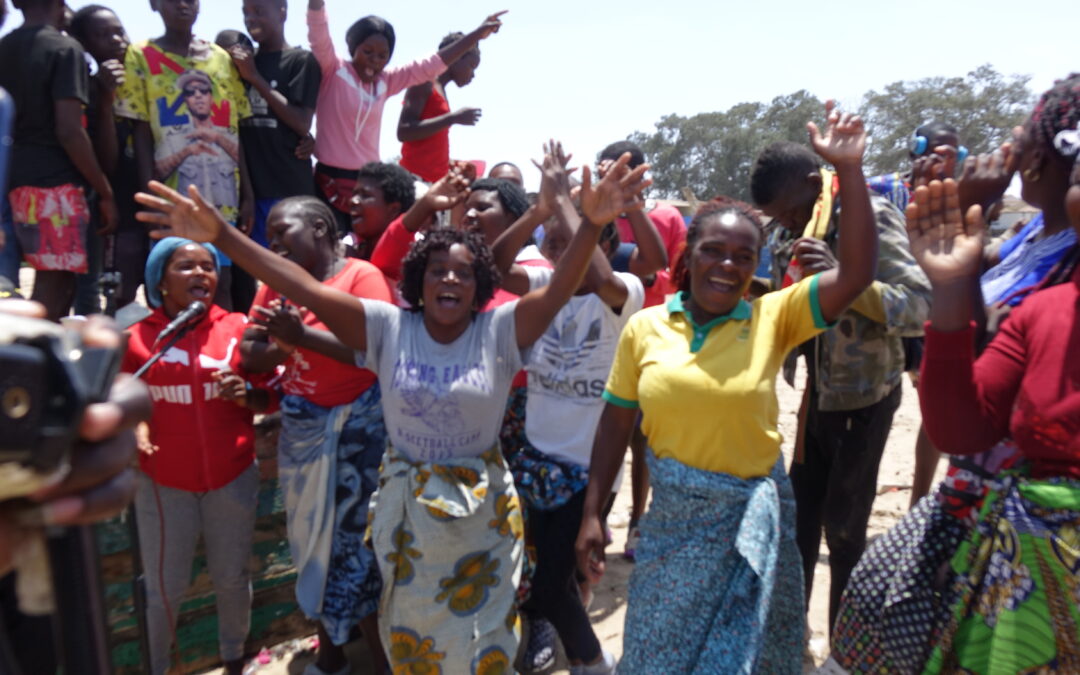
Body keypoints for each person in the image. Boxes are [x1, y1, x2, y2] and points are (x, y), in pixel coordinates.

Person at [134, 144, 651, 673]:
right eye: (438, 271)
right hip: (406, 520)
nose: (450, 279)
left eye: (464, 274)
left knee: (484, 643)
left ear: (480, 290)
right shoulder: (385, 327)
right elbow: (301, 285)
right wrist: (221, 236)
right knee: (414, 638)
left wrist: (589, 224)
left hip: (483, 520)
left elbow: (564, 284)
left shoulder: (502, 330)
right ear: (418, 283)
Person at [575, 103, 879, 673]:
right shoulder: (647, 326)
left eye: (744, 256)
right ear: (688, 255)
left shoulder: (774, 318)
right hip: (673, 528)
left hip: (750, 520)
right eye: (713, 250)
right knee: (654, 651)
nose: (727, 265)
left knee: (747, 656)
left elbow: (858, 273)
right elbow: (616, 422)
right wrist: (594, 514)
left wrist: (852, 172)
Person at [823, 74, 1080, 675]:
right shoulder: (1035, 265)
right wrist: (962, 250)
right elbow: (966, 413)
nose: (1010, 157)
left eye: (1022, 145)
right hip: (985, 506)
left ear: (1040, 162)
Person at [752, 125, 931, 630]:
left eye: (790, 212)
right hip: (816, 397)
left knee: (846, 530)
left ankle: (845, 645)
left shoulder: (869, 217)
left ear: (815, 182)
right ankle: (791, 634)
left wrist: (846, 279)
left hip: (865, 398)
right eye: (778, 218)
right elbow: (789, 294)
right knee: (799, 522)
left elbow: (920, 306)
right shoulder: (798, 227)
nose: (786, 224)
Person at [492, 142, 643, 674]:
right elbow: (493, 267)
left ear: (598, 241)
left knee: (556, 581)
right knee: (539, 577)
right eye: (552, 246)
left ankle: (594, 663)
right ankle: (577, 657)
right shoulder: (542, 286)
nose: (559, 254)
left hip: (587, 470)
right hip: (533, 460)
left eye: (571, 243)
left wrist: (571, 210)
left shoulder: (625, 291)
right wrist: (539, 209)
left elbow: (600, 279)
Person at [240, 197, 394, 675]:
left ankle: (372, 662)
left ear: (322, 228)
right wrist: (283, 345)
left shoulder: (360, 278)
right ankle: (334, 658)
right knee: (314, 546)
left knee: (352, 549)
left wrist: (297, 339)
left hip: (359, 432)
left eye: (283, 229)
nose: (274, 241)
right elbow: (249, 351)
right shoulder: (275, 285)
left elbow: (373, 350)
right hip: (304, 428)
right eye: (269, 232)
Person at [122, 237, 271, 675]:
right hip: (164, 484)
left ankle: (232, 659)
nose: (201, 275)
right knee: (163, 589)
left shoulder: (238, 328)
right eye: (186, 267)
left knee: (231, 579)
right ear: (160, 282)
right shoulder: (136, 338)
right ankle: (156, 666)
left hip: (233, 477)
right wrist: (137, 426)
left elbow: (274, 392)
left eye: (208, 266)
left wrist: (249, 396)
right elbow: (122, 395)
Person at [306, 0, 505, 234]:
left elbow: (431, 64)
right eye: (367, 52)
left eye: (383, 55)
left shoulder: (385, 82)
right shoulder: (333, 70)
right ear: (353, 47)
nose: (375, 60)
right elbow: (317, 32)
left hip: (367, 183)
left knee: (364, 251)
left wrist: (478, 35)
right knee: (329, 245)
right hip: (328, 181)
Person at [114, 0, 254, 311]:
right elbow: (141, 132)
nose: (183, 4)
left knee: (222, 281)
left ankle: (218, 357)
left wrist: (247, 193)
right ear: (154, 4)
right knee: (173, 283)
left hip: (223, 195)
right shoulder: (141, 55)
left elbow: (235, 130)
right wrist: (152, 194)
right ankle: (174, 356)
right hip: (173, 199)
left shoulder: (221, 58)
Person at [0, 0, 117, 321]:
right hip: (54, 188)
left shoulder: (4, 46)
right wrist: (104, 190)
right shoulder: (65, 49)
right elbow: (69, 131)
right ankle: (23, 365)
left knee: (14, 285)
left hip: (10, 181)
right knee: (53, 289)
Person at [595, 140, 680, 560]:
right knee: (606, 431)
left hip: (651, 340)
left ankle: (638, 521)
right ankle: (599, 516)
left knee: (642, 440)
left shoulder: (664, 218)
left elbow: (674, 271)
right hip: (602, 336)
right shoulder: (594, 212)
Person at [232, 0, 321, 249]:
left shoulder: (300, 61)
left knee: (292, 271)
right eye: (245, 13)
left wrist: (256, 78)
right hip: (252, 193)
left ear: (282, 12)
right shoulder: (240, 64)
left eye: (258, 11)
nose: (250, 18)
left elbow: (302, 123)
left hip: (290, 190)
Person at [397, 31, 482, 183]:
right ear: (456, 58)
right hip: (414, 180)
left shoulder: (441, 89)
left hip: (433, 183)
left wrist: (451, 164)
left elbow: (429, 145)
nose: (473, 75)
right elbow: (404, 131)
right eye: (471, 66)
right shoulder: (424, 82)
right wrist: (453, 118)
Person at [346, 161, 416, 260]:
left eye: (365, 195)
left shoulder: (412, 259)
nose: (352, 201)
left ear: (393, 209)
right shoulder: (344, 251)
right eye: (354, 194)